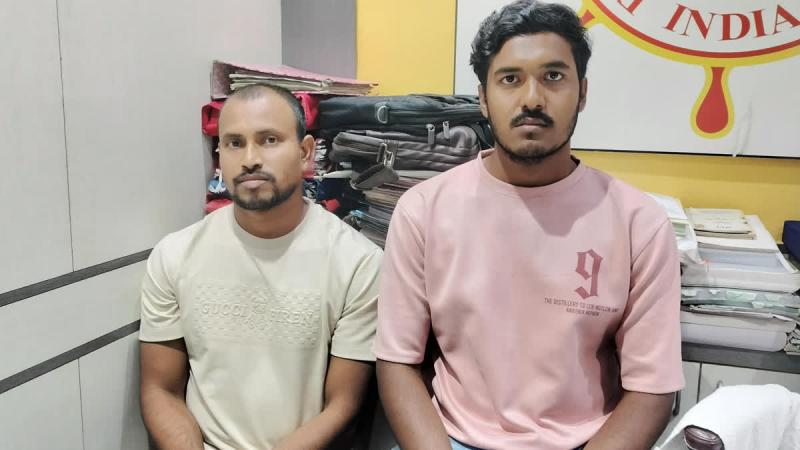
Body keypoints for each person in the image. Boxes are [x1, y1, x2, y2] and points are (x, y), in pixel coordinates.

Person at [374, 1, 683, 449]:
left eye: (553, 76)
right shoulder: (423, 210)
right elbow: (396, 361)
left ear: (582, 93)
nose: (532, 99)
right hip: (453, 438)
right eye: (510, 79)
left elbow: (651, 389)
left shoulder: (639, 223)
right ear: (483, 98)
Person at [138, 84, 382, 449]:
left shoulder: (358, 263)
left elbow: (342, 404)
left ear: (305, 152)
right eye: (234, 143)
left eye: (269, 140)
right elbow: (161, 389)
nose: (250, 158)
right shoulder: (174, 255)